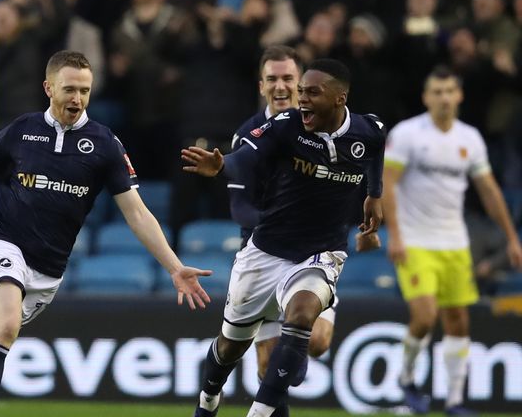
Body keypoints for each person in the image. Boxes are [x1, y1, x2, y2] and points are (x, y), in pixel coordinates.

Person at [0, 50, 211, 417]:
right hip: (3, 243)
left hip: (47, 269)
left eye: (85, 91)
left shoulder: (105, 146)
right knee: (5, 328)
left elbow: (137, 214)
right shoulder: (21, 131)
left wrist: (174, 267)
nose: (77, 99)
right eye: (69, 89)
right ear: (48, 88)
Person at [182, 58, 386, 417]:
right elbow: (246, 159)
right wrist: (222, 165)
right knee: (231, 347)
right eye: (301, 91)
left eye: (311, 92)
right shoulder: (287, 126)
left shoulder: (368, 131)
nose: (301, 99)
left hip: (321, 253)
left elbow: (376, 153)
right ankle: (208, 400)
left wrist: (374, 195)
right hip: (266, 251)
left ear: (340, 98)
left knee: (304, 317)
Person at [228, 46, 371, 395]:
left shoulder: (333, 128)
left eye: (288, 78)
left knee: (318, 340)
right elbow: (240, 205)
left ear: (302, 83)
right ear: (261, 85)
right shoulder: (249, 135)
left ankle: (290, 355)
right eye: (273, 79)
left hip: (318, 252)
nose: (281, 86)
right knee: (267, 365)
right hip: (267, 252)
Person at [382, 66, 522, 416]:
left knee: (458, 320)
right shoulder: (408, 134)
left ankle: (455, 401)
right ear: (426, 97)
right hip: (415, 241)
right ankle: (406, 377)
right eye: (437, 92)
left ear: (459, 95)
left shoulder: (469, 138)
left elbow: (488, 190)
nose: (444, 98)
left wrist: (511, 238)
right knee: (426, 316)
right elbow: (389, 183)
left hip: (455, 243)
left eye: (449, 91)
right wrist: (395, 235)